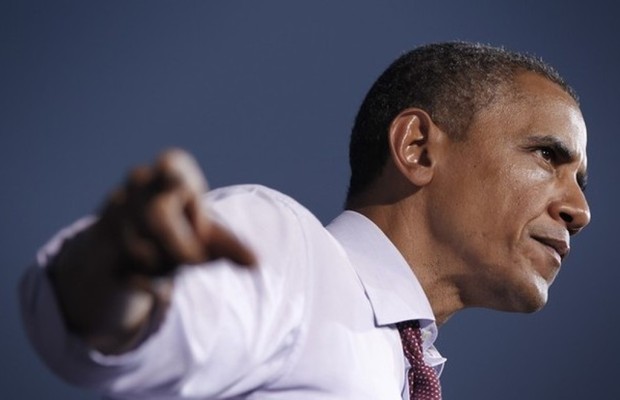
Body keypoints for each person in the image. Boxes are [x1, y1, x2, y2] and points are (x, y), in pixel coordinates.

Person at [20, 42, 590, 399]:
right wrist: (121, 267)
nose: (580, 211)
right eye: (548, 156)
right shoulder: (291, 259)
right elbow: (123, 331)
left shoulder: (409, 370)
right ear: (417, 148)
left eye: (581, 182)